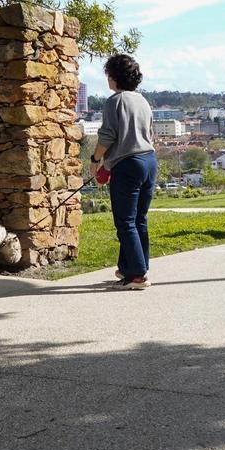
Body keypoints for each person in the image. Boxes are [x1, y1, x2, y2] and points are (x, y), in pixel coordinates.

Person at [91, 54, 157, 290]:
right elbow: (150, 134)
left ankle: (138, 275)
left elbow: (108, 136)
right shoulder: (143, 101)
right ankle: (131, 267)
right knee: (140, 219)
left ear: (114, 76)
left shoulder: (114, 101)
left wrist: (96, 160)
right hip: (149, 161)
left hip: (128, 165)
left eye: (108, 74)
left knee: (125, 221)